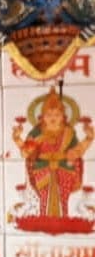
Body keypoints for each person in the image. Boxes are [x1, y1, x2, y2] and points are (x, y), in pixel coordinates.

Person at [12, 88, 93, 220]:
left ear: (63, 116)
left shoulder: (68, 132)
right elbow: (27, 151)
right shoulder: (36, 132)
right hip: (42, 168)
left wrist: (89, 138)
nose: (53, 118)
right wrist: (17, 138)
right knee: (44, 197)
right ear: (42, 117)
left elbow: (77, 151)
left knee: (63, 197)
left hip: (64, 169)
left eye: (57, 114)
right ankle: (43, 218)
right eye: (49, 115)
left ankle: (64, 220)